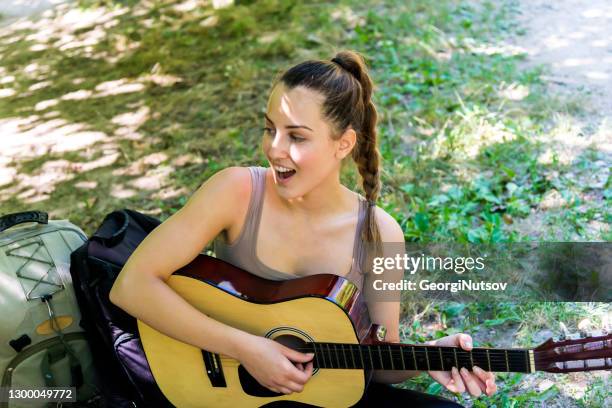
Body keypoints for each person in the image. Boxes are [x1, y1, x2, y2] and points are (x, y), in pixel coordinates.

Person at [109, 50, 497, 407]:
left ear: (343, 144)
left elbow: (375, 363)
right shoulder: (236, 192)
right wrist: (247, 349)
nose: (275, 149)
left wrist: (430, 354)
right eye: (270, 129)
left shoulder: (378, 235)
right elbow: (132, 285)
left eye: (296, 136)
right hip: (227, 395)